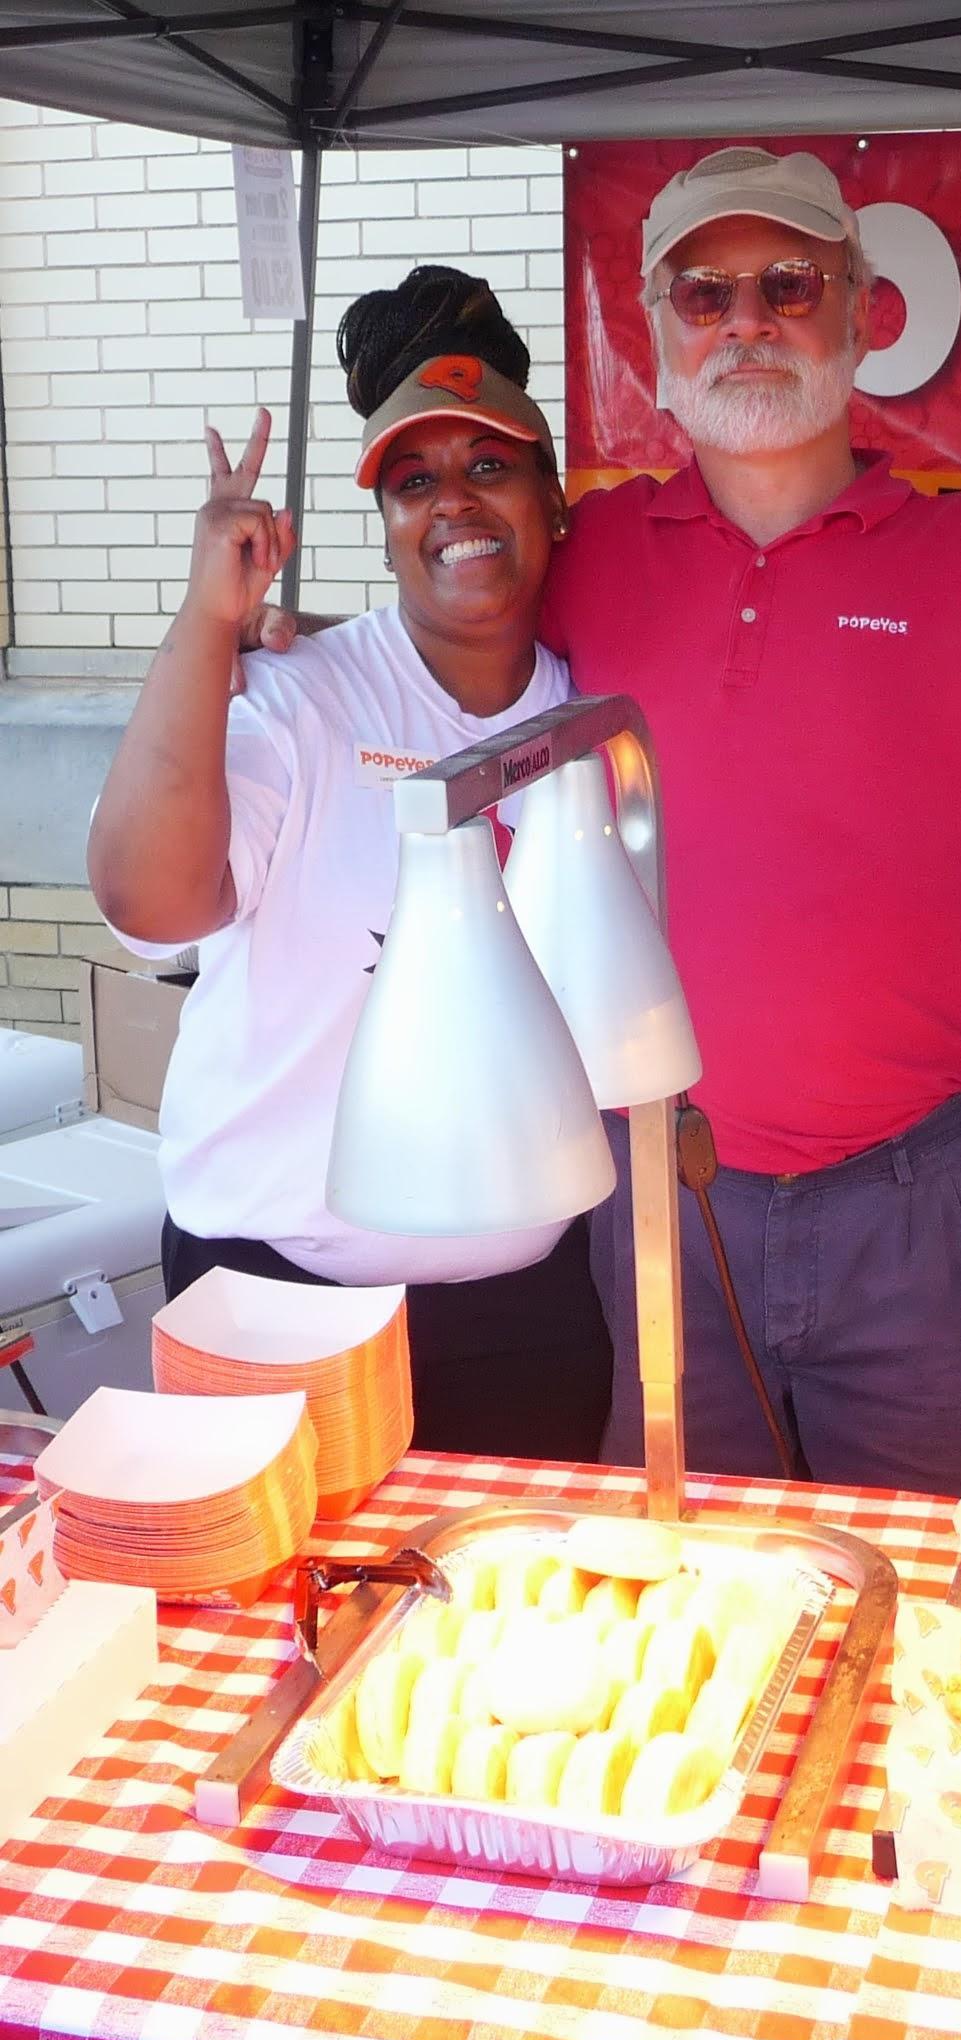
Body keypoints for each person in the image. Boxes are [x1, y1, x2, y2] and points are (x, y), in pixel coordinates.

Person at [534, 147, 961, 1501]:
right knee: (694, 1597)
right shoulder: (591, 558)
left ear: (860, 314)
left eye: (787, 284)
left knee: (954, 1608)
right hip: (658, 1195)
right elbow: (442, 686)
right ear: (656, 333)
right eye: (703, 293)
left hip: (914, 1208)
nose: (744, 320)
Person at [87, 266, 615, 1462]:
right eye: (414, 480)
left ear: (553, 497)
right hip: (277, 1298)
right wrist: (208, 620)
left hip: (522, 1308)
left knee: (509, 1633)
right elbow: (150, 901)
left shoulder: (597, 706)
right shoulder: (296, 698)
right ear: (383, 523)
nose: (455, 504)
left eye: (489, 466)